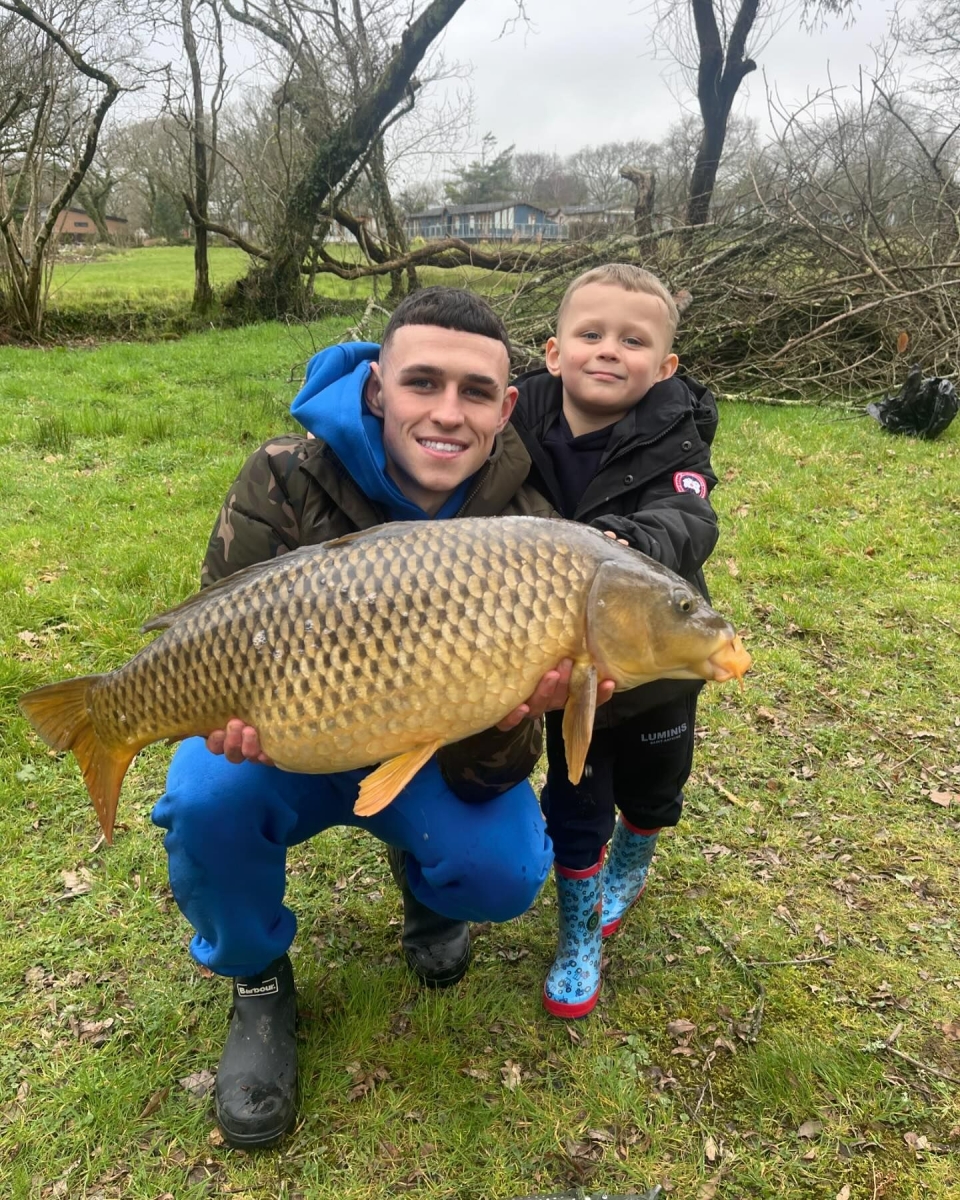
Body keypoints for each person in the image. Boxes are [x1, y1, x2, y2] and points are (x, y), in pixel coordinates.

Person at [152, 287, 587, 1149]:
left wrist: (510, 716)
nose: (447, 413)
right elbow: (216, 630)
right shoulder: (284, 471)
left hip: (431, 753)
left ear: (506, 408)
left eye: (474, 393)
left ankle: (429, 893)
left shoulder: (531, 527)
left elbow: (498, 772)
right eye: (423, 383)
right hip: (294, 731)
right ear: (379, 387)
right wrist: (226, 718)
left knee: (501, 868)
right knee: (206, 801)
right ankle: (258, 981)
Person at [510, 263, 721, 1018]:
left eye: (633, 341)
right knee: (572, 802)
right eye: (590, 333)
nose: (609, 350)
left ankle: (633, 858)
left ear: (664, 366)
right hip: (572, 669)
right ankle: (578, 936)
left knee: (654, 790)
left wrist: (623, 542)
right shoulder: (517, 423)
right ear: (554, 351)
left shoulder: (677, 436)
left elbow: (690, 521)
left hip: (657, 664)